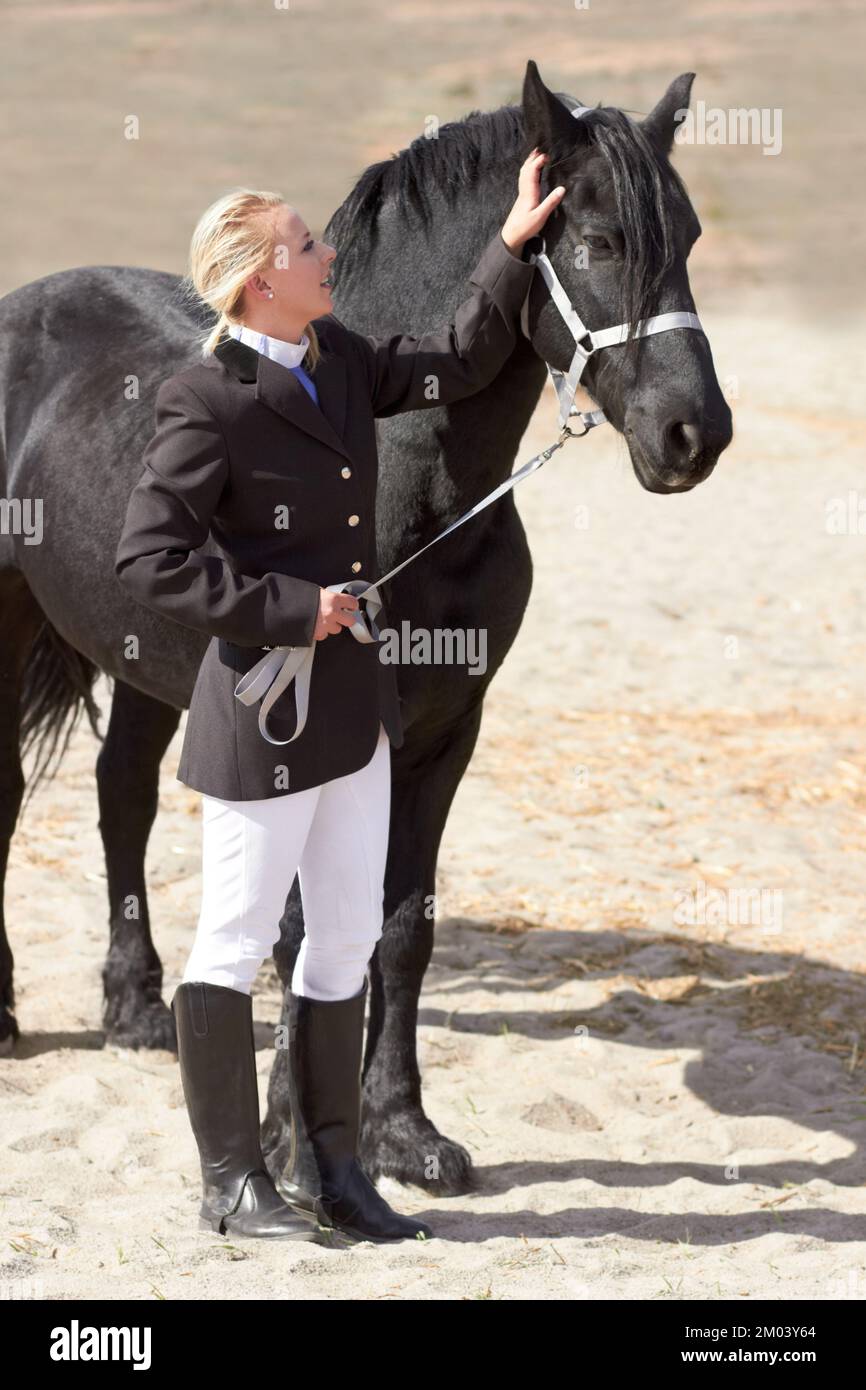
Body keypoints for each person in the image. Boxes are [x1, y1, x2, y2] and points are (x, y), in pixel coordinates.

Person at [114, 151, 565, 1245]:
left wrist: (507, 245)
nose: (330, 254)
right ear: (261, 277)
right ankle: (231, 1182)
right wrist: (286, 605)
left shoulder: (342, 355)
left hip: (352, 712)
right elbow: (149, 559)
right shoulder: (205, 396)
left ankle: (335, 1168)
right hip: (262, 710)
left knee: (346, 936)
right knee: (230, 939)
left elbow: (457, 356)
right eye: (310, 244)